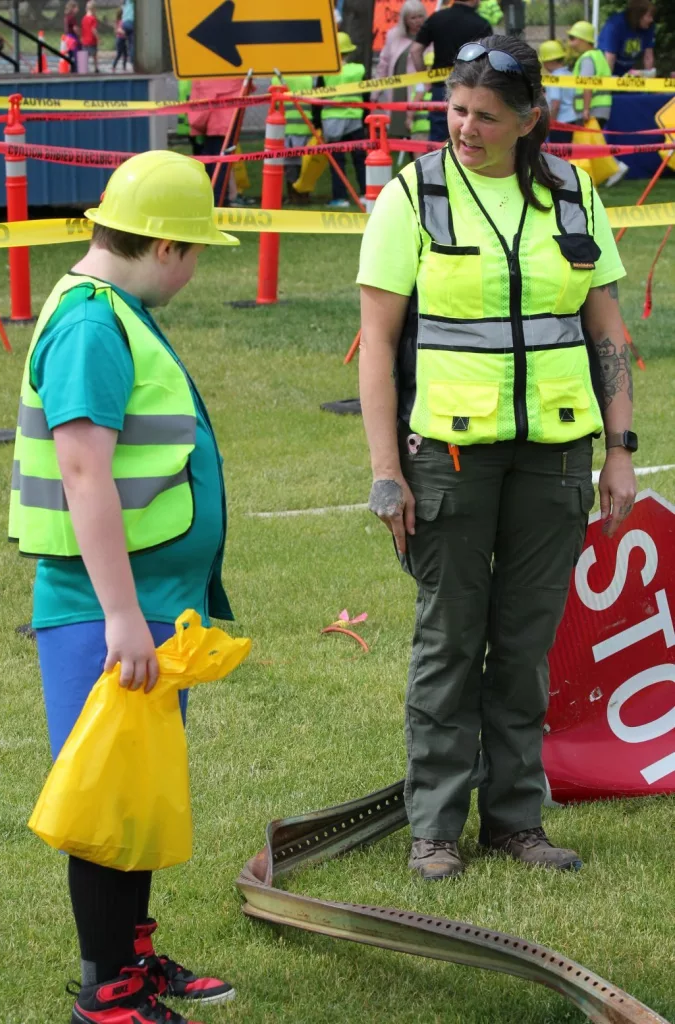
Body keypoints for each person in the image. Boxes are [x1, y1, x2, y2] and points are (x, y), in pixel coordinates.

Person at [357, 36, 637, 882]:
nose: (464, 128)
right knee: (449, 641)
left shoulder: (572, 194)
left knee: (523, 647)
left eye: (484, 115)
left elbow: (606, 330)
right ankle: (435, 828)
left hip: (556, 457)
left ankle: (515, 821)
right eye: (455, 110)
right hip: (446, 459)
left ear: (529, 121)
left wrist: (619, 451)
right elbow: (377, 344)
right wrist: (385, 470)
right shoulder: (411, 195)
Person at [8, 151, 239, 1022]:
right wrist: (120, 615)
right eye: (196, 251)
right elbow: (83, 473)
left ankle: (130, 959)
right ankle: (105, 991)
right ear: (167, 247)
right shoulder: (92, 326)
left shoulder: (113, 313)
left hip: (144, 606)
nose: (194, 269)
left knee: (133, 791)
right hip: (105, 610)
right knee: (107, 800)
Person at [410, 0, 491, 142]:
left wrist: (425, 79)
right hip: (470, 88)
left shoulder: (437, 18)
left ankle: (439, 157)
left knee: (438, 137)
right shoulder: (481, 24)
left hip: (440, 87)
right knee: (468, 136)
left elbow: (415, 51)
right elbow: (487, 58)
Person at [568, 21, 629, 186]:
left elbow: (587, 84)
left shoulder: (587, 58)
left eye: (573, 38)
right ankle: (612, 169)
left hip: (591, 109)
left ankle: (615, 167)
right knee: (593, 142)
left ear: (583, 39)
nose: (570, 43)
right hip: (600, 108)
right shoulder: (598, 56)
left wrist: (585, 109)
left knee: (587, 145)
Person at [320, 32, 367, 209]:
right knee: (360, 159)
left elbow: (317, 97)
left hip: (332, 121)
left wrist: (317, 123)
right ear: (348, 51)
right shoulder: (359, 70)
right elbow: (366, 95)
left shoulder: (325, 72)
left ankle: (340, 197)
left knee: (337, 162)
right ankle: (365, 193)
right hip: (355, 119)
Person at [373, 0, 427, 137]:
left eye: (420, 16)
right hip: (397, 89)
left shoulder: (430, 35)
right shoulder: (393, 35)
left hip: (420, 90)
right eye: (413, 18)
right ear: (405, 20)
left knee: (417, 130)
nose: (417, 21)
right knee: (396, 125)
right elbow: (383, 64)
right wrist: (375, 92)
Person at [189, 77, 245, 206]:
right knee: (219, 163)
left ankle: (215, 199)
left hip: (212, 122)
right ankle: (218, 199)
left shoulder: (207, 77)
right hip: (225, 121)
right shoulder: (230, 78)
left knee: (214, 162)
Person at [272, 73, 315, 204]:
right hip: (305, 125)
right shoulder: (308, 78)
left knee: (290, 163)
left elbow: (274, 105)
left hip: (286, 127)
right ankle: (304, 195)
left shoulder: (276, 79)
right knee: (305, 164)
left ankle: (293, 196)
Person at [599, 0, 655, 76]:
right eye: (649, 16)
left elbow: (648, 57)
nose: (651, 20)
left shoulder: (648, 26)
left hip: (627, 72)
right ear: (638, 15)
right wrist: (609, 81)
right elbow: (609, 57)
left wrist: (649, 77)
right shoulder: (615, 25)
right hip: (606, 68)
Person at [540, 39, 575, 143]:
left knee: (558, 151)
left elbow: (555, 104)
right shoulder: (570, 75)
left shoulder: (553, 78)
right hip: (573, 120)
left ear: (548, 61)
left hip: (560, 122)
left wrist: (551, 123)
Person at [81, 0, 99, 73]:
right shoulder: (93, 19)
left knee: (86, 55)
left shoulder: (84, 18)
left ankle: (83, 68)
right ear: (94, 9)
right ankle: (96, 68)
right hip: (92, 40)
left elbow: (83, 29)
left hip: (85, 40)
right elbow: (93, 30)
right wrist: (98, 38)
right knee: (94, 55)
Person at [112, 8, 127, 72]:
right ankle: (113, 66)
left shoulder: (123, 21)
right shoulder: (118, 21)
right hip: (119, 39)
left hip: (123, 39)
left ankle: (124, 67)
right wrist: (121, 31)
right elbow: (116, 30)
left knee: (125, 54)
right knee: (119, 54)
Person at [121, 0, 135, 69]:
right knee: (132, 43)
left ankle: (126, 60)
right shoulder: (131, 2)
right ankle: (132, 60)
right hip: (130, 22)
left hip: (124, 23)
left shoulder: (125, 3)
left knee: (129, 43)